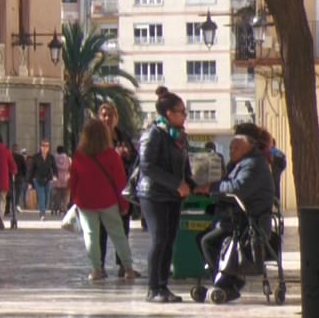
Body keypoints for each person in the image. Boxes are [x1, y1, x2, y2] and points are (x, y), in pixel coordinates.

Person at [200, 124, 279, 302]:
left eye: (236, 147)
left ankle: (228, 284)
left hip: (250, 223)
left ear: (249, 145)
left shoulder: (253, 164)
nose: (231, 150)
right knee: (204, 238)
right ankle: (227, 281)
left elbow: (237, 188)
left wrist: (212, 187)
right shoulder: (241, 163)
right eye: (230, 147)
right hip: (237, 219)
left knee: (208, 241)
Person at [134, 91, 194, 303]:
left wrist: (191, 183)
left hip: (173, 196)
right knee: (159, 238)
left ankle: (163, 285)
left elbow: (184, 165)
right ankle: (152, 288)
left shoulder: (179, 136)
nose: (184, 115)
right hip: (153, 194)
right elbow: (147, 166)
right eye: (181, 112)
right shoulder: (153, 134)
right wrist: (176, 184)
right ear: (169, 113)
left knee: (169, 240)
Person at [70, 119, 136, 282]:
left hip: (85, 201)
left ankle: (96, 269)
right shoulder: (112, 155)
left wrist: (73, 200)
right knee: (118, 235)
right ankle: (127, 268)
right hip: (108, 201)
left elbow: (73, 180)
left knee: (90, 235)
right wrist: (124, 204)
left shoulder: (79, 155)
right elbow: (120, 182)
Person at [27, 140, 57, 218]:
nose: (45, 148)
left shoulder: (51, 157)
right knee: (41, 195)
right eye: (43, 146)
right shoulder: (36, 157)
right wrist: (29, 182)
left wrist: (55, 176)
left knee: (47, 196)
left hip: (48, 179)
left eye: (47, 146)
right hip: (37, 179)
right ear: (40, 147)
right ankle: (42, 213)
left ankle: (43, 210)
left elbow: (55, 168)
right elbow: (31, 169)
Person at [51, 145, 73, 215]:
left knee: (57, 194)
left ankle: (55, 207)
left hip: (56, 178)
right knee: (66, 194)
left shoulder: (54, 158)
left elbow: (52, 167)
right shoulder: (68, 158)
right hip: (66, 178)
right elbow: (71, 168)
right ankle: (63, 208)